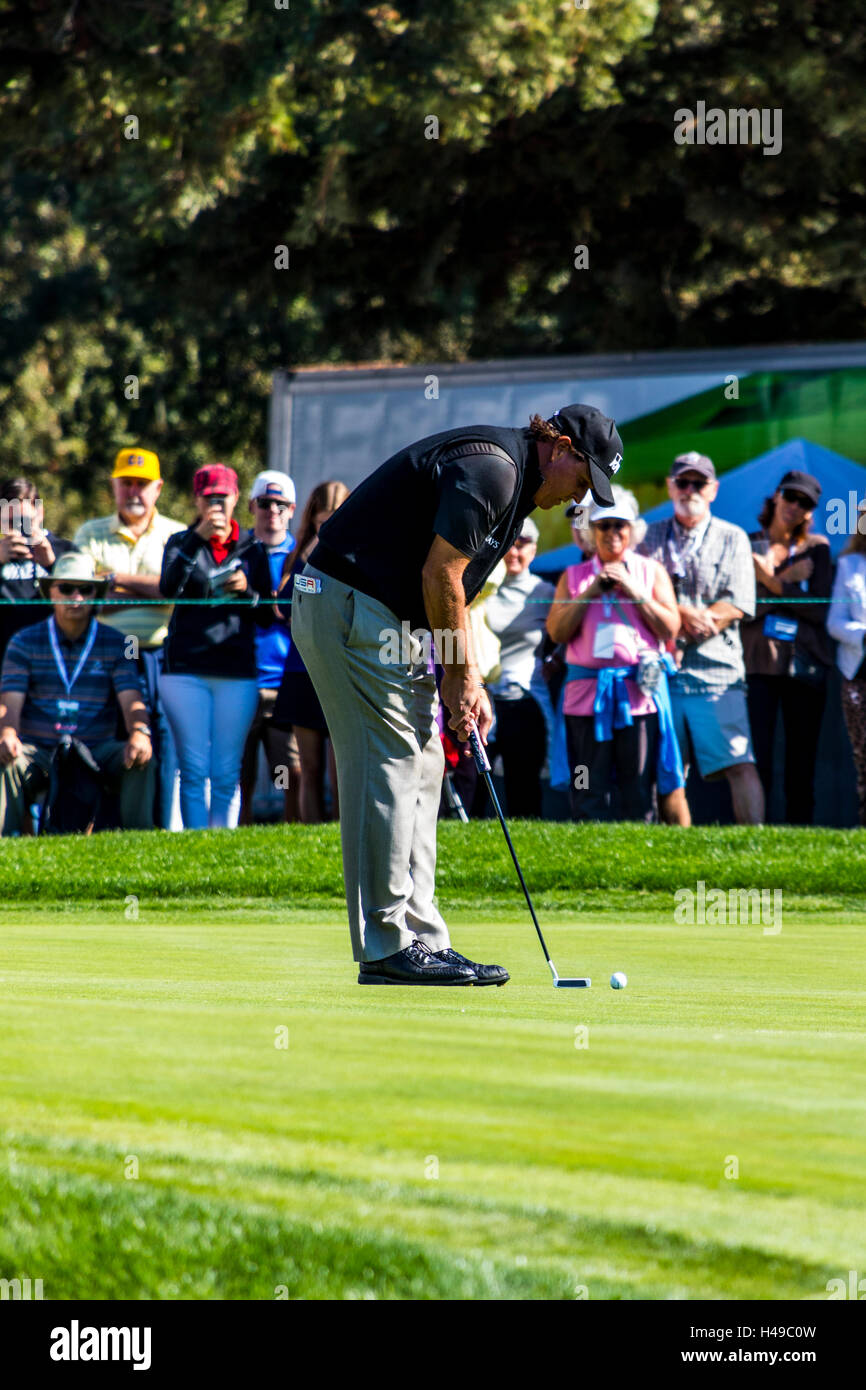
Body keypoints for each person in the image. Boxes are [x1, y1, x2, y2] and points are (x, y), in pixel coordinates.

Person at [290, 403, 624, 985]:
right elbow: (439, 574)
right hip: (345, 605)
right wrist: (458, 673)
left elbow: (455, 589)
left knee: (424, 765)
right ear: (562, 447)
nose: (580, 499)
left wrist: (465, 678)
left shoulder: (517, 487)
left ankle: (419, 938)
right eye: (583, 478)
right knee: (390, 763)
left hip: (387, 621)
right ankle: (387, 945)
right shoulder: (493, 468)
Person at [639, 452, 763, 826]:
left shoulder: (734, 536)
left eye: (699, 483)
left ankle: (758, 850)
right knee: (670, 769)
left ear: (713, 490)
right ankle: (675, 853)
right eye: (683, 482)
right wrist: (686, 615)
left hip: (718, 670)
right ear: (670, 487)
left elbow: (740, 602)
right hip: (663, 673)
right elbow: (638, 595)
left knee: (739, 761)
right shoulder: (648, 535)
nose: (690, 489)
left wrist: (690, 616)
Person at [547, 496, 682, 821]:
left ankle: (638, 856)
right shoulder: (575, 575)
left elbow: (670, 627)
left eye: (620, 525)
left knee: (637, 787)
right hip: (584, 700)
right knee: (586, 785)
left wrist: (634, 590)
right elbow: (557, 632)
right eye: (603, 525)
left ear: (632, 530)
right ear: (592, 531)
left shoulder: (651, 572)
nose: (612, 533)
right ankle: (586, 851)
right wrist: (591, 591)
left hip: (637, 698)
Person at [0, 553, 154, 834]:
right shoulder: (22, 641)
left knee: (142, 755)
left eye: (85, 589)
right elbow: (9, 702)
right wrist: (7, 734)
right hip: (41, 750)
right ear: (50, 592)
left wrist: (140, 732)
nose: (76, 597)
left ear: (95, 595)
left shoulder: (123, 642)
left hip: (97, 749)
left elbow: (133, 697)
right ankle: (5, 847)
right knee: (6, 757)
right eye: (67, 588)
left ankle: (138, 841)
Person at [74, 448, 186, 829]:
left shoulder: (176, 533)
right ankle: (109, 827)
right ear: (114, 486)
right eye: (126, 484)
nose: (134, 491)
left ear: (158, 488)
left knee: (163, 738)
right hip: (106, 654)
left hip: (161, 654)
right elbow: (87, 600)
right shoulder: (90, 532)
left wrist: (115, 579)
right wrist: (153, 591)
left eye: (142, 484)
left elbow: (175, 595)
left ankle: (157, 827)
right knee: (108, 741)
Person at [159, 464, 274, 830]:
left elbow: (269, 615)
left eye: (223, 498)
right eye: (209, 498)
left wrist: (247, 593)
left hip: (236, 671)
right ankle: (195, 843)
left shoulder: (253, 547)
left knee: (226, 769)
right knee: (193, 768)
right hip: (185, 670)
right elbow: (168, 588)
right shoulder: (180, 542)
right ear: (196, 500)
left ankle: (221, 842)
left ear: (237, 499)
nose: (216, 506)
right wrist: (197, 539)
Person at [742, 470, 833, 824]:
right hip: (755, 664)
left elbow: (820, 609)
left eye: (805, 503)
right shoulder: (748, 543)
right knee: (756, 759)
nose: (795, 506)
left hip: (804, 666)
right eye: (791, 497)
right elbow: (741, 607)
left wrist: (766, 581)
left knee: (801, 762)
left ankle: (802, 840)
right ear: (777, 495)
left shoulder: (818, 548)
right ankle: (757, 839)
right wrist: (785, 582)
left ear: (811, 512)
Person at [272, 481, 348, 823]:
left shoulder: (353, 554)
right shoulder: (300, 554)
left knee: (342, 770)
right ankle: (311, 833)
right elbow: (284, 605)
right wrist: (308, 554)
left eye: (334, 521)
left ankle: (341, 834)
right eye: (321, 521)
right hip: (302, 672)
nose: (327, 528)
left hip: (340, 672)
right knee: (309, 766)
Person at [238, 470, 300, 824]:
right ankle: (238, 836)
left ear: (291, 509)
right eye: (264, 503)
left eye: (280, 504)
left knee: (289, 773)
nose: (272, 510)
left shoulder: (302, 557)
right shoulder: (238, 552)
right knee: (240, 774)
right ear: (251, 506)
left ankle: (289, 837)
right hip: (242, 678)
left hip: (285, 679)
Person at [484, 518, 555, 817]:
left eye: (524, 543)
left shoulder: (547, 592)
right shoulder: (482, 587)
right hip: (480, 698)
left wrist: (556, 661)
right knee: (474, 787)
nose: (515, 551)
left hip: (526, 701)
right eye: (511, 542)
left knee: (523, 791)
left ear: (535, 549)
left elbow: (564, 638)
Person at [0, 477, 75, 665]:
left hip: (55, 657)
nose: (18, 529)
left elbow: (90, 602)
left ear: (40, 512)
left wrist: (52, 564)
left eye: (25, 521)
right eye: (10, 522)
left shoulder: (65, 551)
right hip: (6, 657)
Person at [827, 497, 866, 825]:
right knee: (863, 757)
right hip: (859, 673)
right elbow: (834, 622)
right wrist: (863, 635)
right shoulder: (849, 565)